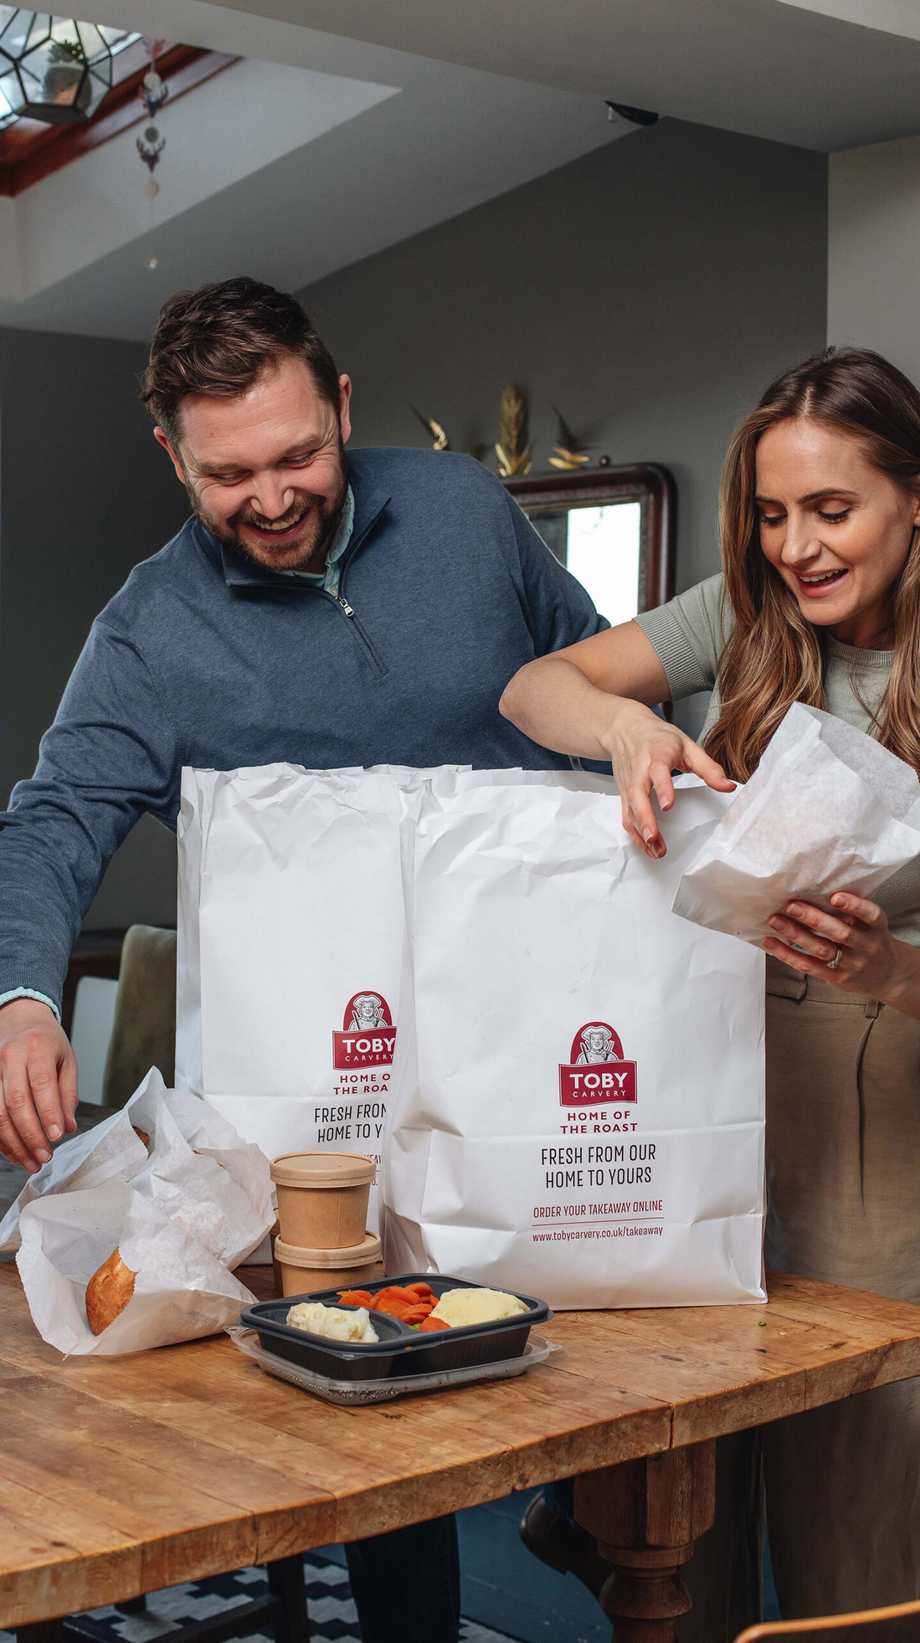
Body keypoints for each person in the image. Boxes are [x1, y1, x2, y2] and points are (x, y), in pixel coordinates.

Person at [0, 276, 608, 1643]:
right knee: (363, 1402)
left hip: (532, 1017)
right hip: (322, 1075)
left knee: (609, 1319)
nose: (271, 497)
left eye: (297, 456)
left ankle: (589, 1515)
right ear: (173, 454)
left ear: (342, 405)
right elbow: (54, 815)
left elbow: (598, 665)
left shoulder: (464, 512)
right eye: (228, 474)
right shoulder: (148, 632)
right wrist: (22, 995)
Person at [500, 346, 920, 1630]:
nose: (795, 545)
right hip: (712, 1082)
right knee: (680, 1492)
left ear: (914, 496)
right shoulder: (743, 618)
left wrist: (891, 967)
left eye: (831, 510)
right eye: (772, 512)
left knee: (859, 1512)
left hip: (886, 1121)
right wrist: (624, 725)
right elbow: (532, 686)